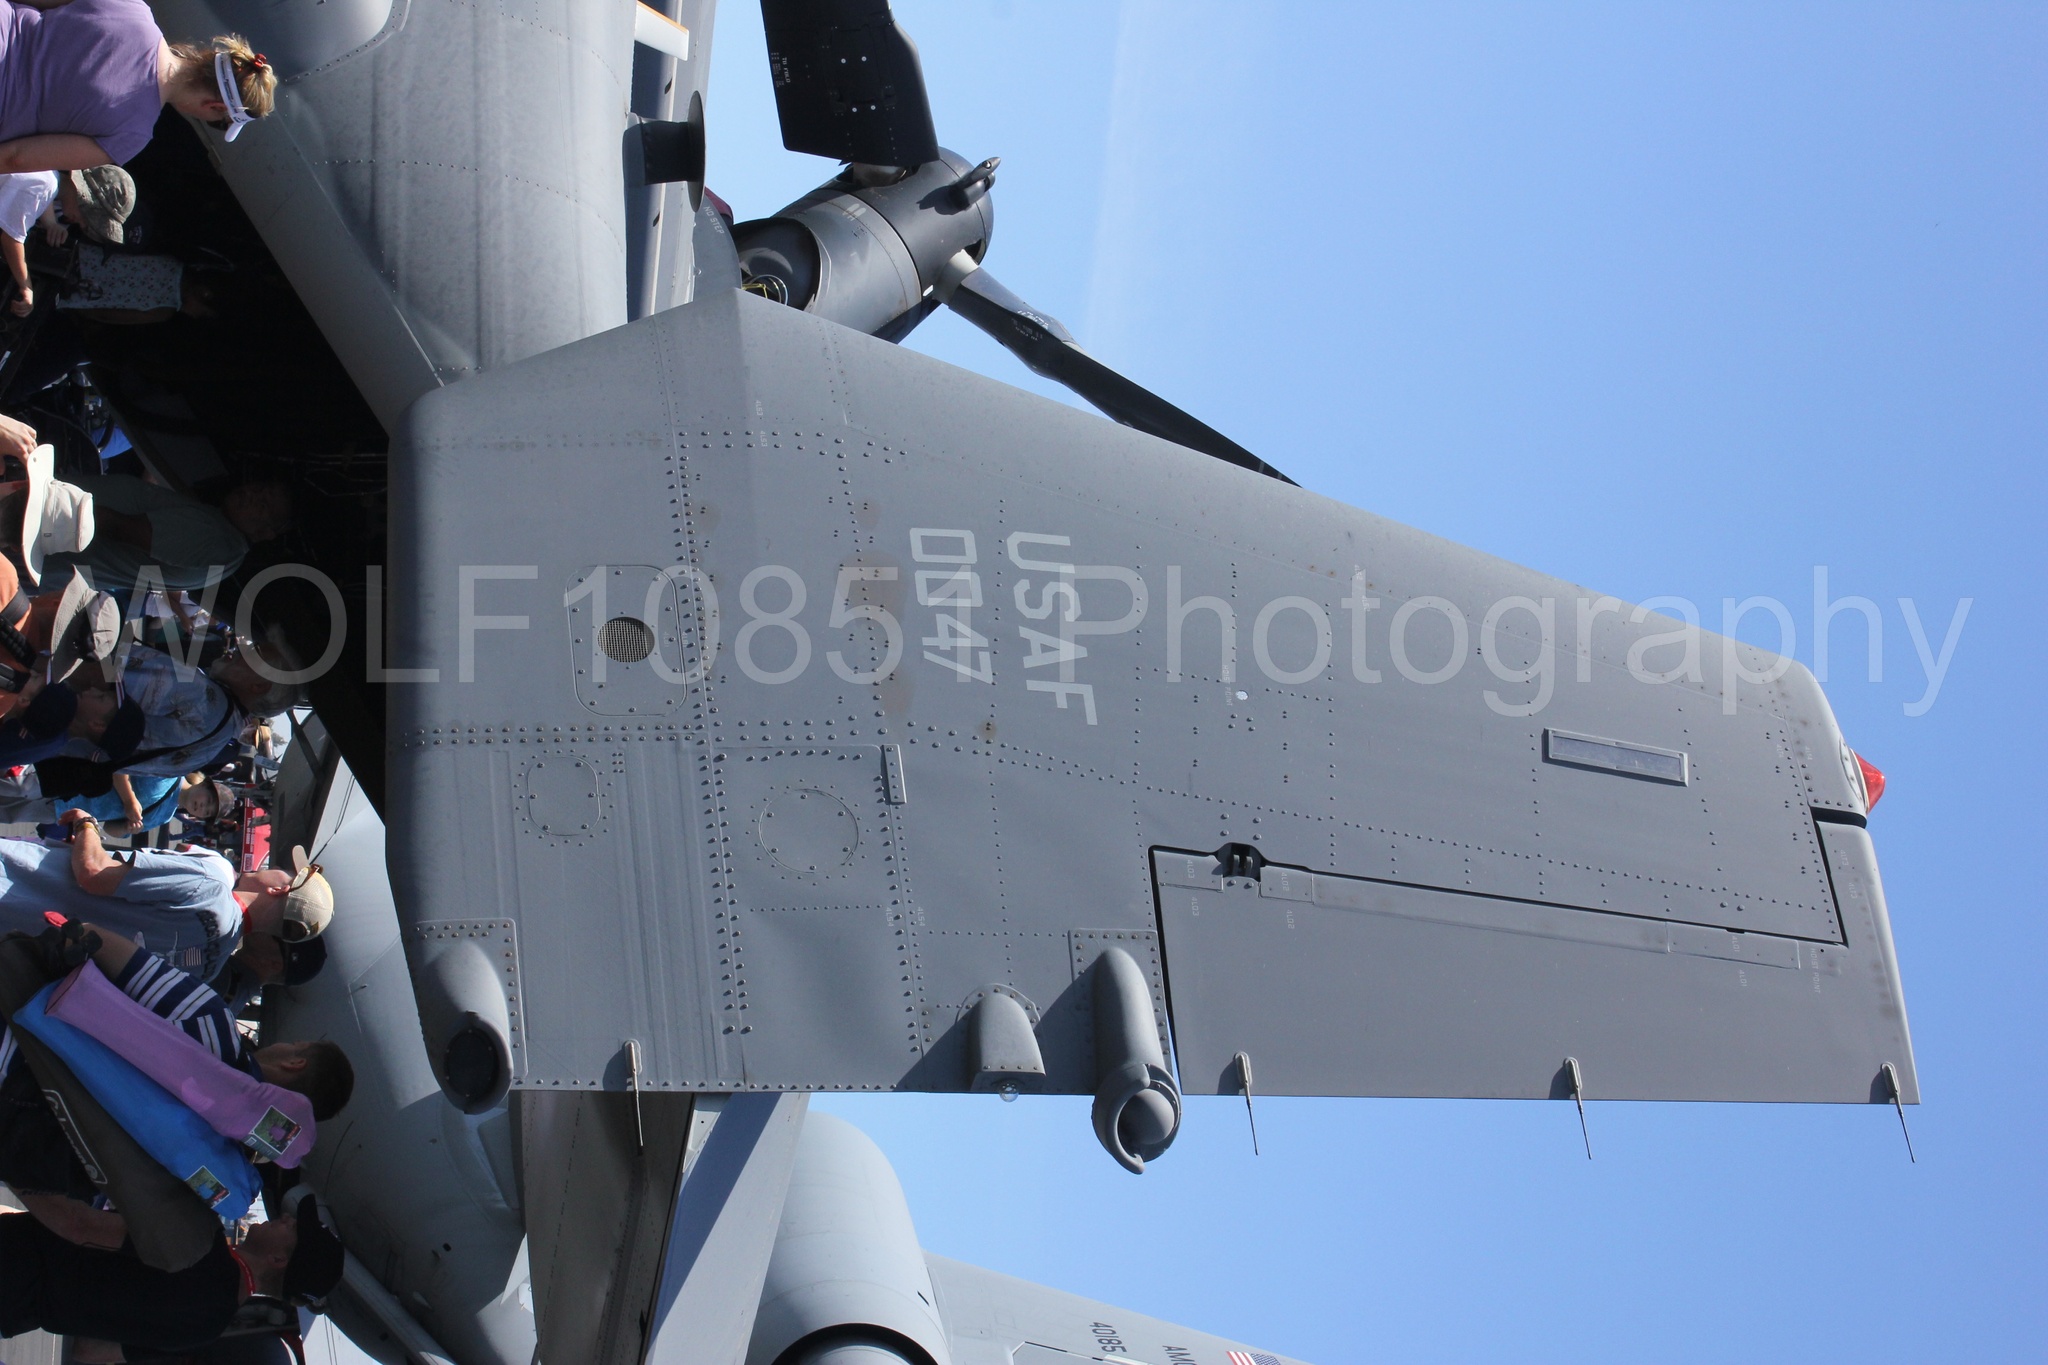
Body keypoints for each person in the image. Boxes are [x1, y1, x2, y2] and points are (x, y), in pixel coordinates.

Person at [0, 919, 353, 1205]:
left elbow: (105, 944)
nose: (282, 1043)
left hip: (20, 1043)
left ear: (295, 1063)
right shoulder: (203, 1164)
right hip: (23, 1132)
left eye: (294, 1045)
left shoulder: (210, 1021)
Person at [0, 1189, 343, 1352]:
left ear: (279, 1260)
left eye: (293, 1228)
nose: (286, 1218)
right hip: (16, 1313)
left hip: (15, 1255)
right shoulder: (207, 1328)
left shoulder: (199, 1242)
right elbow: (89, 1351)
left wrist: (18, 1171)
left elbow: (78, 1225)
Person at [0, 813, 332, 979]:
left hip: (15, 884)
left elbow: (93, 872)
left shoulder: (210, 885)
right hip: (19, 951)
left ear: (280, 889)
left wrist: (87, 824)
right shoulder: (209, 969)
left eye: (286, 872)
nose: (275, 867)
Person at [0, 8, 276, 173]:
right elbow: (15, 158)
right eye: (217, 123)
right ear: (215, 107)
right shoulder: (131, 136)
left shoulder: (134, 10)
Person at [39, 473, 289, 591]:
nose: (251, 494)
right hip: (47, 534)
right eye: (260, 487)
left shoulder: (215, 538)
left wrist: (50, 504)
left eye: (263, 504)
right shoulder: (227, 551)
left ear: (265, 533)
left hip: (43, 526)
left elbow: (118, 527)